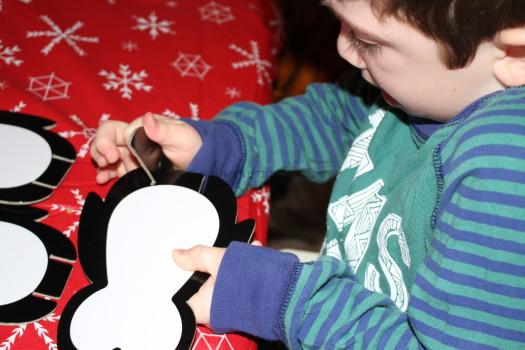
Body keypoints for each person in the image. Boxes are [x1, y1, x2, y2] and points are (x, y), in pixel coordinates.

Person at [90, 0, 525, 348]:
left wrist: (278, 299)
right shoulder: (427, 90)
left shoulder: (502, 178)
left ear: (513, 54)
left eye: (368, 41)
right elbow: (340, 116)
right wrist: (225, 146)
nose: (343, 49)